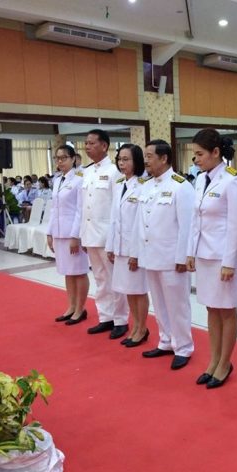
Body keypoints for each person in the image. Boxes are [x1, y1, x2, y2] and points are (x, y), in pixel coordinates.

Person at [186, 129, 237, 388]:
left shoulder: (233, 181)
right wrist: (190, 251)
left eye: (200, 154)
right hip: (204, 255)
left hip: (223, 257)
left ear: (215, 152)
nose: (196, 159)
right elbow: (195, 219)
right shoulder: (201, 179)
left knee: (226, 310)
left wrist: (229, 263)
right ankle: (214, 360)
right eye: (194, 154)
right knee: (211, 308)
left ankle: (225, 363)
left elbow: (236, 225)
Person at [131, 139, 196, 370]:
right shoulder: (146, 186)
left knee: (178, 305)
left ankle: (184, 347)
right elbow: (140, 223)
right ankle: (166, 341)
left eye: (150, 156)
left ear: (164, 158)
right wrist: (136, 253)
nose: (146, 161)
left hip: (171, 258)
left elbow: (187, 225)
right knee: (159, 303)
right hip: (150, 255)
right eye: (145, 156)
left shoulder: (181, 186)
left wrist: (182, 257)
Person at [80, 129, 130, 339]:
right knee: (100, 278)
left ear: (104, 146)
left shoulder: (114, 171)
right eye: (86, 143)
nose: (87, 146)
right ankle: (106, 317)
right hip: (90, 234)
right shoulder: (87, 172)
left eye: (92, 143)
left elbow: (118, 207)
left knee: (114, 279)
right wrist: (82, 235)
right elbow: (84, 206)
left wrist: (114, 238)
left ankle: (120, 320)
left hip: (107, 235)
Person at [105, 144, 150, 347]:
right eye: (119, 159)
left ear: (137, 161)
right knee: (128, 290)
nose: (122, 163)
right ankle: (135, 326)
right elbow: (114, 219)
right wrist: (110, 246)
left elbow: (141, 224)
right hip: (120, 247)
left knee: (138, 290)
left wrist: (136, 253)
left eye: (126, 159)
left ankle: (142, 328)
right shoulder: (119, 184)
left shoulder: (143, 185)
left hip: (135, 249)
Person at [46, 145, 90, 326]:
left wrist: (75, 236)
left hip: (72, 233)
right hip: (59, 232)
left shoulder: (80, 180)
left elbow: (80, 210)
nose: (60, 161)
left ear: (73, 159)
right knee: (67, 272)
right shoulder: (57, 180)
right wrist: (49, 232)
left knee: (79, 272)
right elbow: (54, 208)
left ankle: (80, 309)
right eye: (57, 158)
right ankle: (71, 306)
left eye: (64, 157)